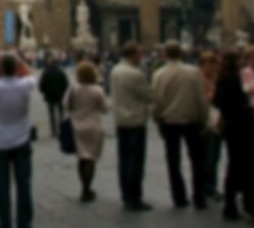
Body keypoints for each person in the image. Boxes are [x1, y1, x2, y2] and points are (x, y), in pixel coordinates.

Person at [0, 50, 37, 228]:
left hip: (0, 143)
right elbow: (31, 74)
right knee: (24, 185)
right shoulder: (25, 85)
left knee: (2, 186)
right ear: (17, 69)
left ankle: (4, 227)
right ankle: (25, 227)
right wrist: (20, 60)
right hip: (22, 141)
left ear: (1, 70)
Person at [151, 40, 209, 210]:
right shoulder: (193, 72)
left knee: (173, 161)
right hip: (192, 121)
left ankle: (179, 197)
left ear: (165, 54)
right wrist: (204, 118)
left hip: (170, 122)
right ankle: (199, 196)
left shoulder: (159, 74)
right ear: (182, 53)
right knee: (197, 160)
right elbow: (201, 98)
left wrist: (158, 120)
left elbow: (156, 102)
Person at [214, 49, 254, 221]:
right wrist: (249, 108)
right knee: (244, 166)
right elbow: (237, 105)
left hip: (232, 128)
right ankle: (242, 204)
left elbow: (218, 101)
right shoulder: (233, 80)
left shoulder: (223, 78)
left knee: (235, 165)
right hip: (242, 128)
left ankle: (235, 204)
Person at [110, 42, 153, 211]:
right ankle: (134, 196)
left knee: (124, 158)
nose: (141, 56)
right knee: (136, 160)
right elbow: (148, 96)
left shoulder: (115, 70)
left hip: (120, 119)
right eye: (139, 53)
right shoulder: (135, 74)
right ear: (133, 55)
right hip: (135, 119)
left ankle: (125, 193)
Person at [65, 61, 109, 202]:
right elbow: (105, 109)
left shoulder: (74, 89)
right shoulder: (97, 90)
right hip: (94, 125)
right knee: (91, 158)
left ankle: (84, 188)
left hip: (77, 125)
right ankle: (87, 189)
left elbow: (65, 105)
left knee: (82, 157)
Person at [199, 51, 223, 200]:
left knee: (215, 155)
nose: (213, 66)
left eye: (214, 63)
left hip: (218, 121)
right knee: (207, 156)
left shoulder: (217, 79)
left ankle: (211, 185)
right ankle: (207, 187)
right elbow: (201, 100)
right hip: (205, 121)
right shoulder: (199, 79)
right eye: (210, 63)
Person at [38, 56, 69, 137]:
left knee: (51, 113)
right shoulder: (61, 72)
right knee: (61, 112)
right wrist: (63, 91)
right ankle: (62, 128)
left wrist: (44, 92)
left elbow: (41, 85)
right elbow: (66, 83)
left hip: (49, 96)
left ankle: (53, 130)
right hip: (60, 95)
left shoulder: (46, 73)